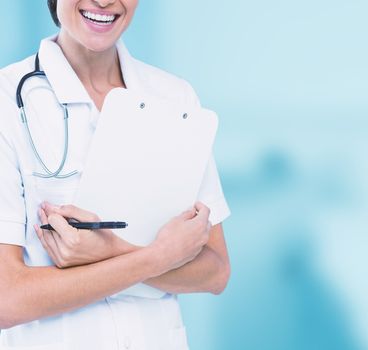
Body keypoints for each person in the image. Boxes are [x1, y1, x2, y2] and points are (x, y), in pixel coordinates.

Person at [0, 1, 231, 349]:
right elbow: (8, 299)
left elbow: (215, 271)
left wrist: (106, 251)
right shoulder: (6, 101)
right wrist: (157, 257)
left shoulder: (175, 97)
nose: (105, 2)